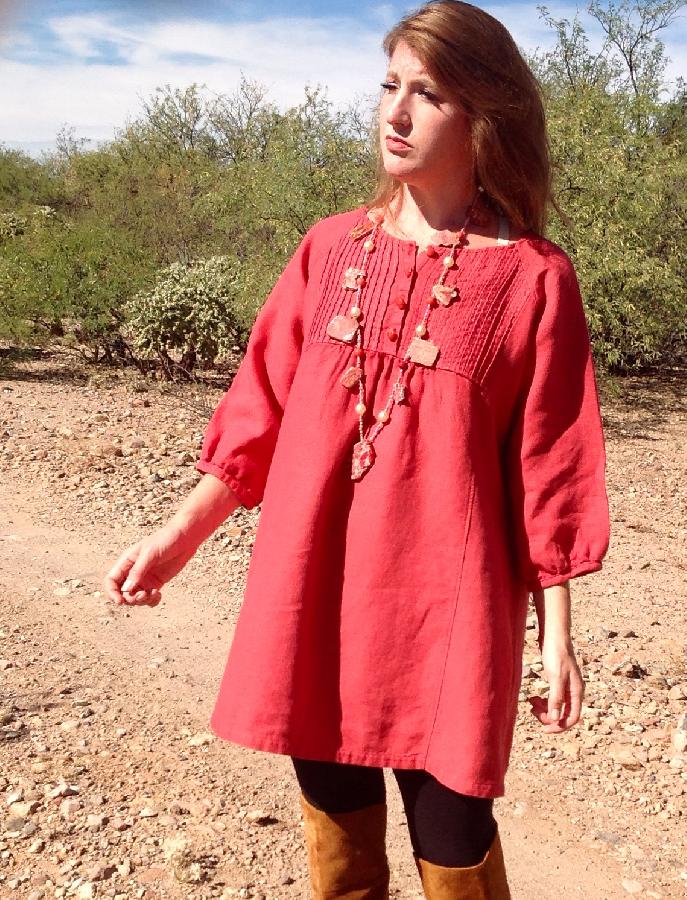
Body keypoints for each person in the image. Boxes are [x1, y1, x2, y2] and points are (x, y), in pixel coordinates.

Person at [104, 1, 610, 897]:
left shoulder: (535, 277)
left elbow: (553, 465)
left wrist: (557, 636)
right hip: (318, 587)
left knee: (453, 836)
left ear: (481, 116)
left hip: (448, 611)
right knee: (336, 832)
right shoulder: (328, 248)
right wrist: (177, 537)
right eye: (389, 86)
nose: (396, 113)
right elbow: (257, 412)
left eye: (428, 93)